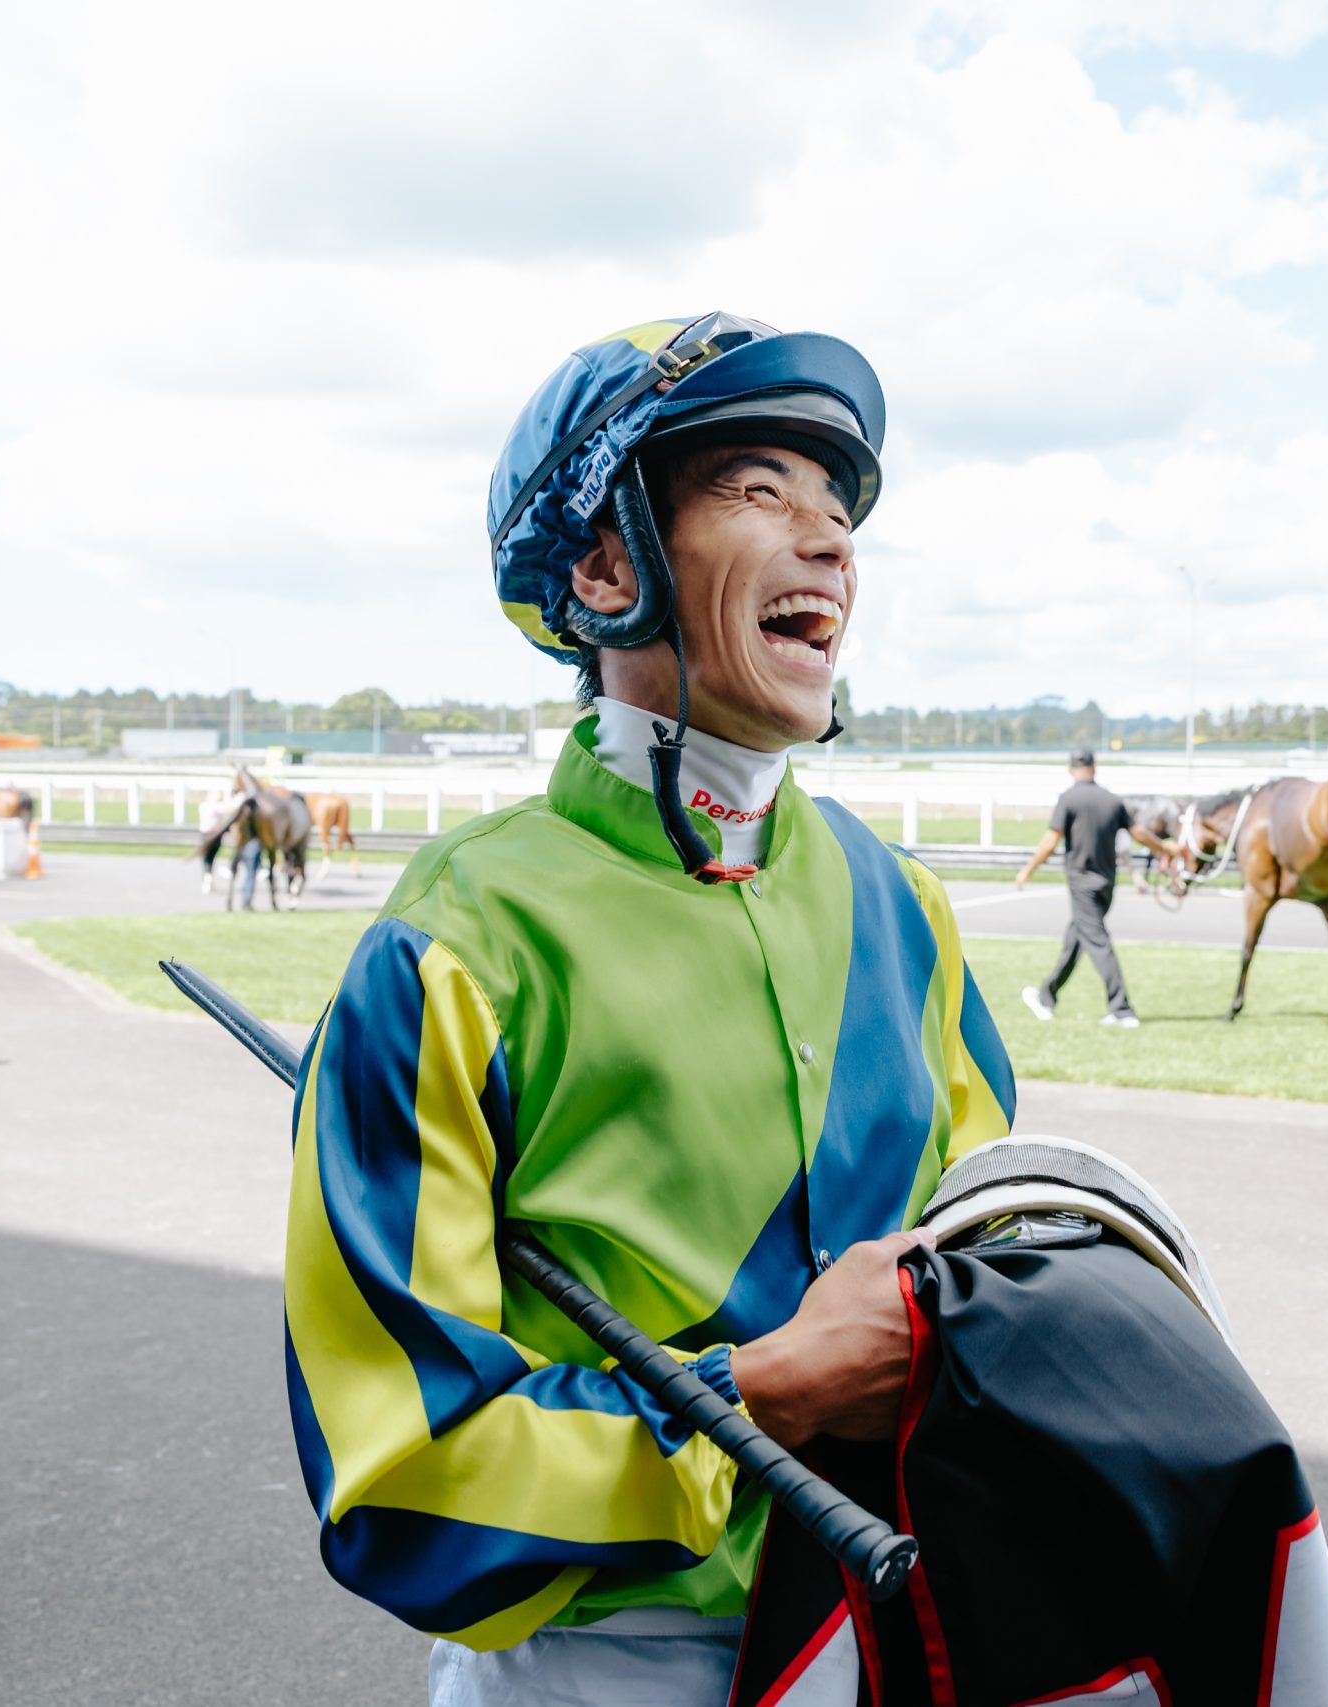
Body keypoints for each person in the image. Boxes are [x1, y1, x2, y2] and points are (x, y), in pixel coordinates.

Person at [282, 313, 1015, 1706]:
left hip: (917, 1644)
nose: (828, 538)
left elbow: (995, 1253)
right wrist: (773, 1387)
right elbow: (399, 1487)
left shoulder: (904, 906)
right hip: (605, 1668)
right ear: (606, 565)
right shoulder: (456, 942)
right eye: (757, 488)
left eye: (837, 505)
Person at [1014, 747, 1170, 1028]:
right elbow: (1139, 833)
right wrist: (1165, 849)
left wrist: (1027, 869)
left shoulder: (1068, 799)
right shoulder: (1112, 800)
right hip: (1107, 884)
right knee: (1075, 941)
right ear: (1094, 767)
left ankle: (1122, 1010)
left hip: (1082, 885)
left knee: (1098, 943)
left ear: (1070, 769)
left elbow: (1050, 841)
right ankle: (1045, 997)